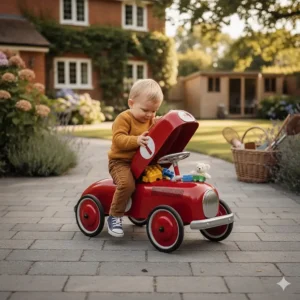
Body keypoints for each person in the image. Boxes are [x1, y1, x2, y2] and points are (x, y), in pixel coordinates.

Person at [107, 79, 164, 237]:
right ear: (131, 103)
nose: (149, 115)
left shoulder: (150, 119)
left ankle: (145, 209)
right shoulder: (124, 119)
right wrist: (136, 140)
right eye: (145, 110)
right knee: (126, 185)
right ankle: (114, 216)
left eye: (154, 111)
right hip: (120, 162)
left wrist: (161, 122)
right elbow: (118, 139)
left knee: (158, 179)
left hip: (141, 162)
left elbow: (156, 131)